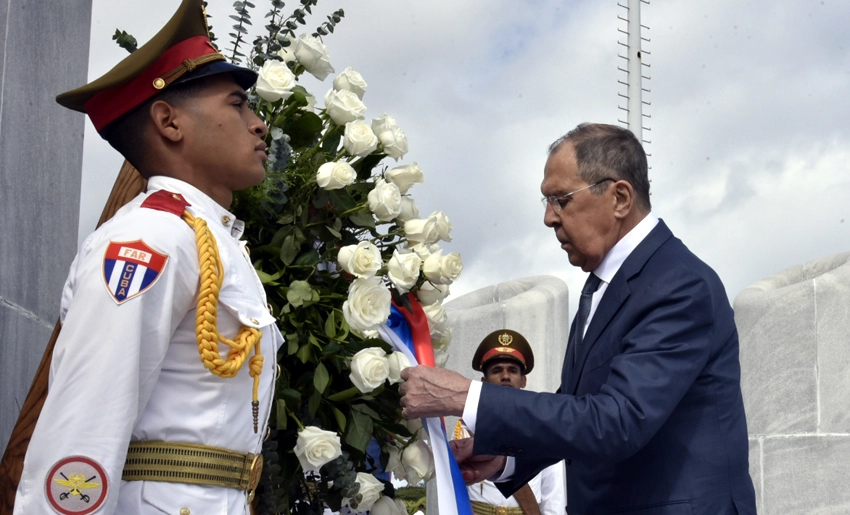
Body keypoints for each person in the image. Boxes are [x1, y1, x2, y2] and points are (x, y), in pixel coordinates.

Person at [399, 123, 757, 514]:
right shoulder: (600, 287)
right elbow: (578, 406)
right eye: (546, 202)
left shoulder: (679, 284)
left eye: (561, 200)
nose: (549, 218)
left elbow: (620, 420)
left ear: (620, 198)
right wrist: (507, 459)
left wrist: (464, 396)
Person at [12, 0, 282, 513]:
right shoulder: (151, 239)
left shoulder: (204, 238)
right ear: (168, 120)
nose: (259, 124)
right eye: (237, 104)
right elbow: (84, 424)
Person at [453, 329, 565, 515]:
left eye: (512, 370)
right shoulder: (465, 429)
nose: (505, 376)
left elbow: (553, 497)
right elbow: (456, 492)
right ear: (484, 381)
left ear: (523, 380)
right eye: (497, 370)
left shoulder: (543, 429)